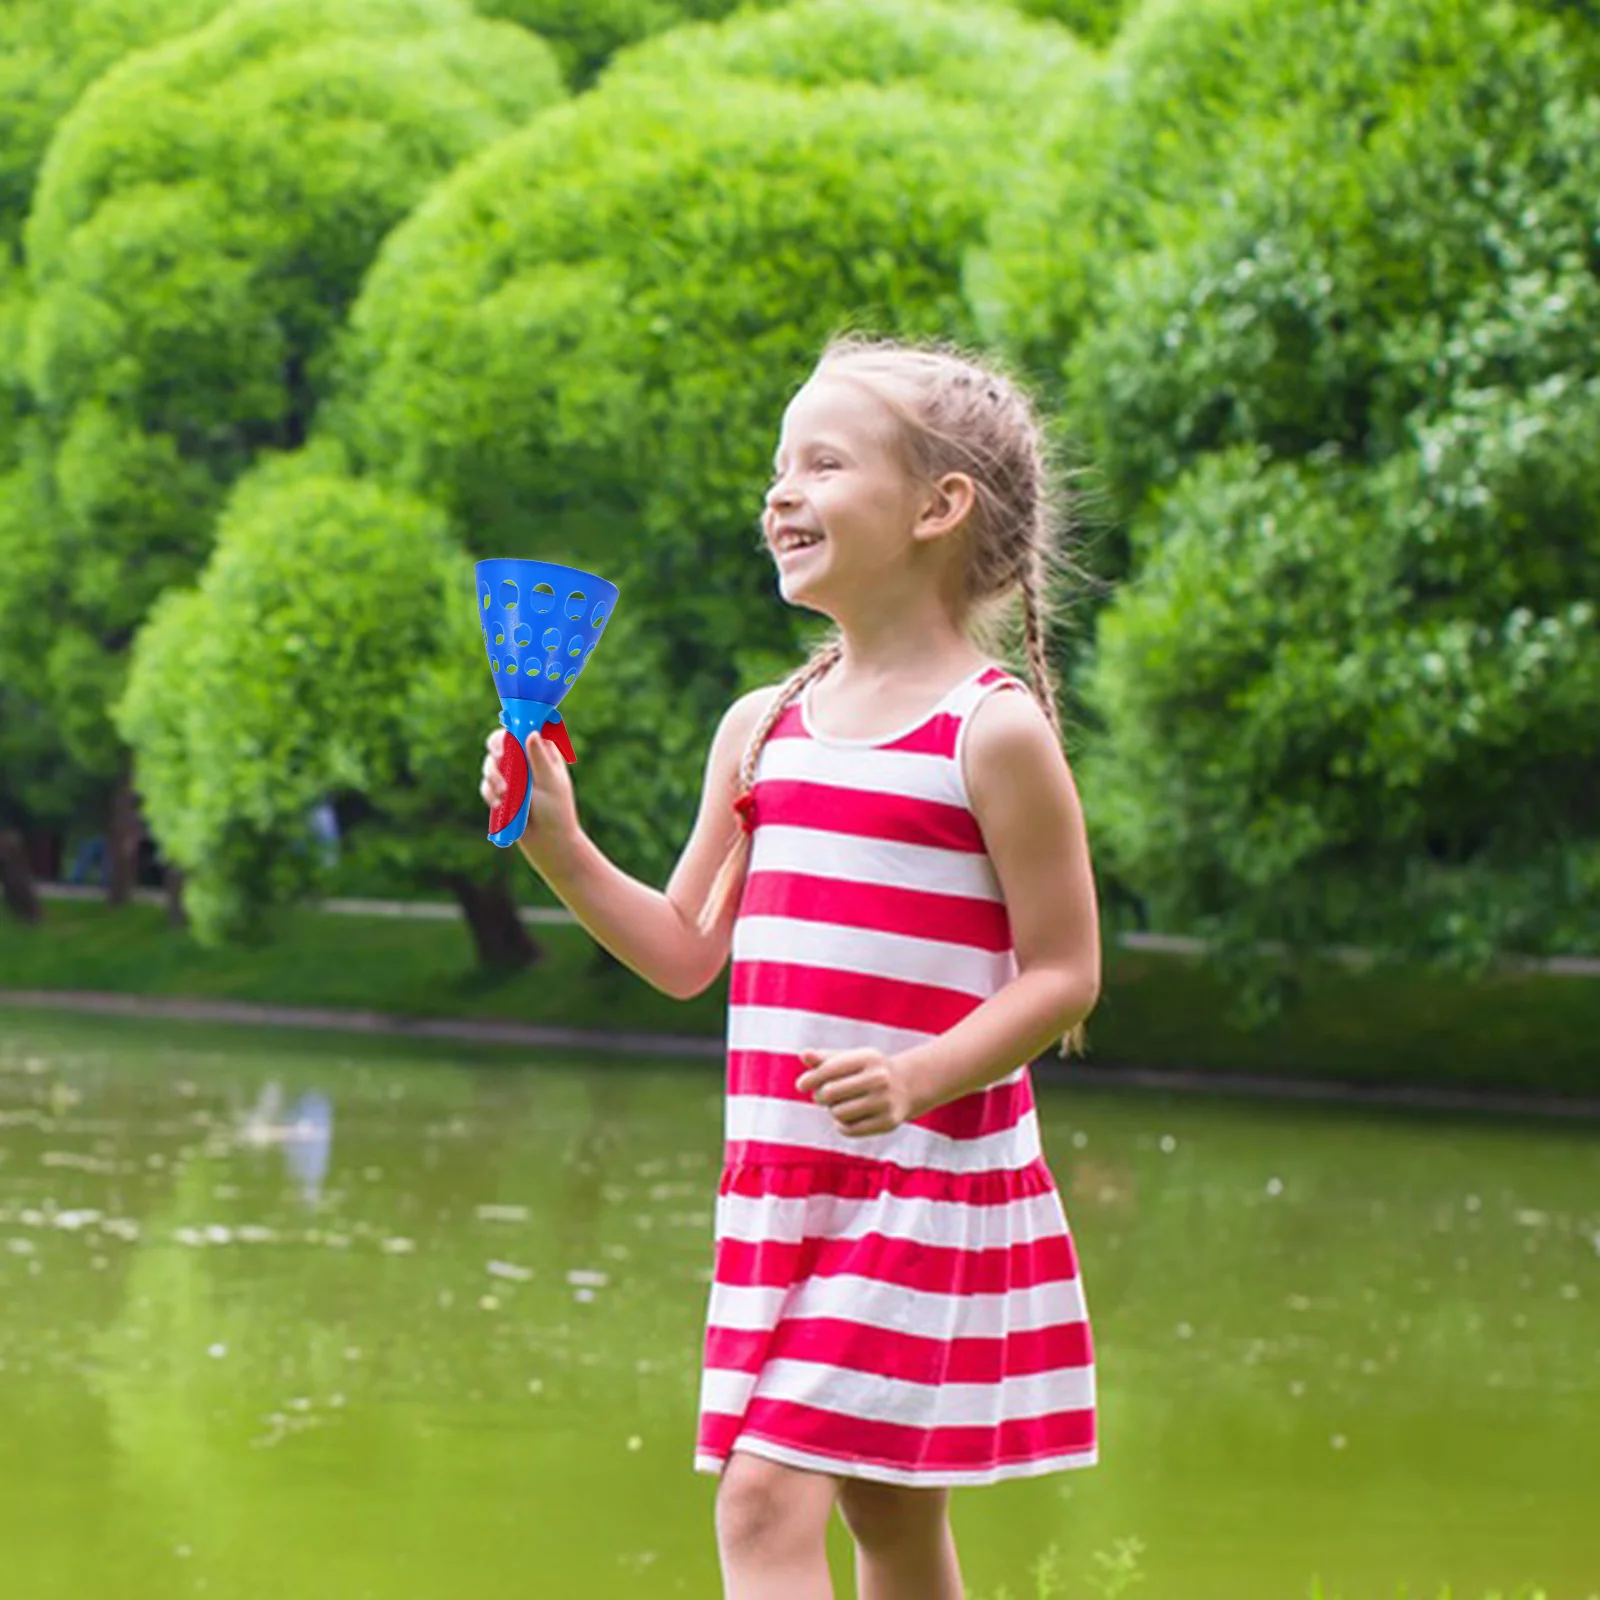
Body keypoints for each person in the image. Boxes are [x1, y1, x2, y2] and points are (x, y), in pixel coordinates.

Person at [479, 335, 1101, 1600]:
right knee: (888, 1523)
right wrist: (558, 843)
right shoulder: (761, 727)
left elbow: (1065, 971)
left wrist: (921, 1074)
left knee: (765, 1503)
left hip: (920, 1186)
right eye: (778, 465)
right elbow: (680, 950)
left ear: (938, 507)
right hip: (790, 1186)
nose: (779, 492)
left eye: (822, 463)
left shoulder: (990, 732)